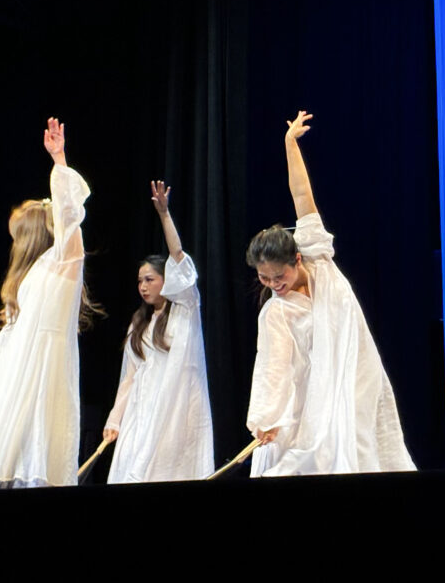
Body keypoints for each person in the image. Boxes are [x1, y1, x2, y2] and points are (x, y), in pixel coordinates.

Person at [244, 111, 416, 476]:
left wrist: (290, 144)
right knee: (324, 454)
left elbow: (301, 193)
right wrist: (266, 417)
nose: (273, 284)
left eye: (279, 275)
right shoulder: (277, 311)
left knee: (368, 446)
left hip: (357, 368)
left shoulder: (316, 252)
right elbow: (273, 365)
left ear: (296, 258)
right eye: (264, 278)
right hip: (320, 392)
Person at [0, 117, 98, 490]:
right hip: (14, 380)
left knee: (33, 459)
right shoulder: (29, 277)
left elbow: (69, 218)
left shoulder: (61, 263)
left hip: (42, 373)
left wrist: (60, 161)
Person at [102, 181, 214, 482]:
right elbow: (129, 377)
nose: (143, 286)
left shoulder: (186, 309)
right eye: (140, 281)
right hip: (141, 411)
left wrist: (164, 215)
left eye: (150, 279)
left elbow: (177, 255)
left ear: (168, 279)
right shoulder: (139, 324)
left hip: (175, 408)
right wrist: (115, 419)